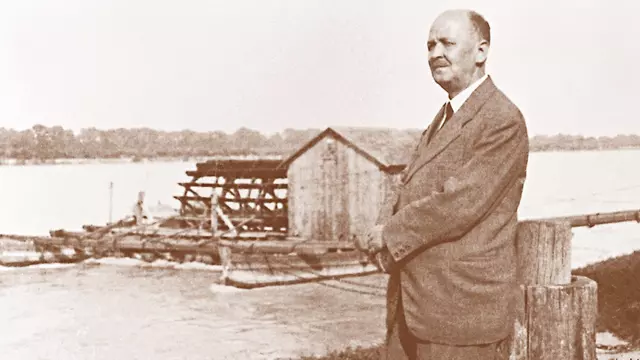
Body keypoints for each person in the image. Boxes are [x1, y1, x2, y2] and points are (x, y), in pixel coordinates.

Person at [356, 9, 530, 360]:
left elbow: (460, 203)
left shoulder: (502, 119)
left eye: (447, 43)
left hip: (460, 314)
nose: (435, 53)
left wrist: (388, 233)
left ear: (481, 51)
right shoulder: (445, 116)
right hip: (415, 304)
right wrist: (379, 228)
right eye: (430, 44)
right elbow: (410, 186)